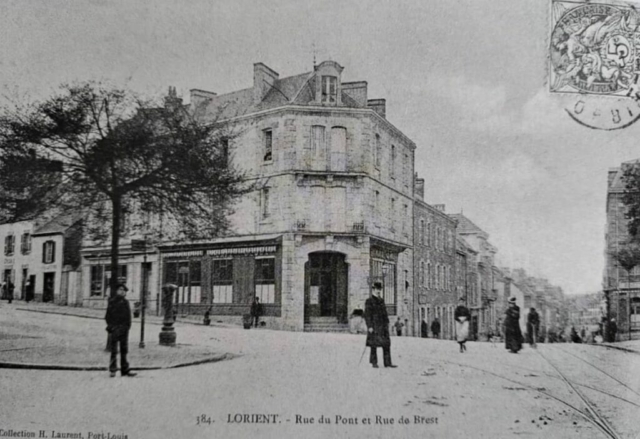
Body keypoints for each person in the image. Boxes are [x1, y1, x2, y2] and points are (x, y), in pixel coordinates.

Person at [105, 284, 136, 378]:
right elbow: (107, 316)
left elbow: (128, 316)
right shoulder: (112, 302)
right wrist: (111, 327)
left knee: (124, 350)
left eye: (124, 290)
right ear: (116, 291)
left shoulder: (126, 302)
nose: (122, 291)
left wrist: (127, 327)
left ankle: (124, 370)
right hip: (115, 328)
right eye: (120, 289)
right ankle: (113, 370)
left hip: (124, 329)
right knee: (114, 350)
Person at [364, 281, 396, 368]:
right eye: (376, 289)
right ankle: (374, 363)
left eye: (379, 289)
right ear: (373, 290)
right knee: (373, 344)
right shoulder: (369, 301)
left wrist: (387, 322)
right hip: (374, 326)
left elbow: (385, 313)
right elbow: (367, 315)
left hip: (383, 326)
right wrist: (369, 326)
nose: (378, 291)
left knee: (386, 344)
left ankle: (388, 363)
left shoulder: (381, 300)